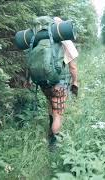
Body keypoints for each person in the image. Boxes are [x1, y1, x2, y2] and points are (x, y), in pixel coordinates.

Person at [25, 17, 79, 145]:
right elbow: (73, 67)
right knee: (58, 114)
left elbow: (31, 61)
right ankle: (53, 144)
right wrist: (75, 81)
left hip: (44, 82)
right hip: (59, 83)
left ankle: (50, 131)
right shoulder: (65, 41)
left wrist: (28, 79)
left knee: (50, 105)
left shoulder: (40, 40)